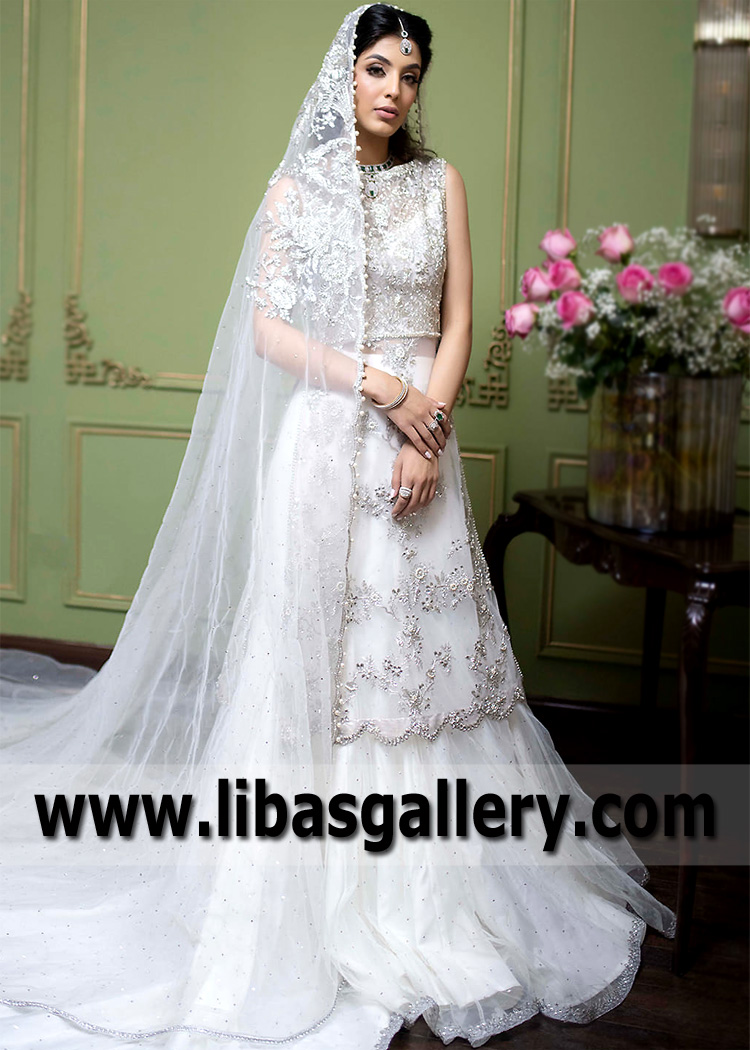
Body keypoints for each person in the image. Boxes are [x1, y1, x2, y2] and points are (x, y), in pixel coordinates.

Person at [0, 5, 675, 1048]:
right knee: (313, 666)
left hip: (417, 446)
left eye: (411, 73)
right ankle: (299, 892)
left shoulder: (440, 183)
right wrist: (376, 385)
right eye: (378, 68)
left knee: (425, 668)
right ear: (345, 76)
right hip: (324, 444)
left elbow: (458, 317)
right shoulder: (296, 188)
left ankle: (442, 891)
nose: (395, 89)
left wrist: (426, 426)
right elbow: (268, 330)